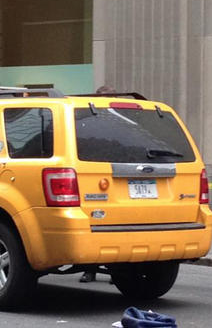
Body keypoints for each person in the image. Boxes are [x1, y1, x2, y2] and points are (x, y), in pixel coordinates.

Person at [80, 84, 116, 283]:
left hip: (112, 177)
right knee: (93, 224)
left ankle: (115, 271)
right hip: (94, 176)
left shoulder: (117, 121)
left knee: (112, 228)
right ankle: (90, 269)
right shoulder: (88, 119)